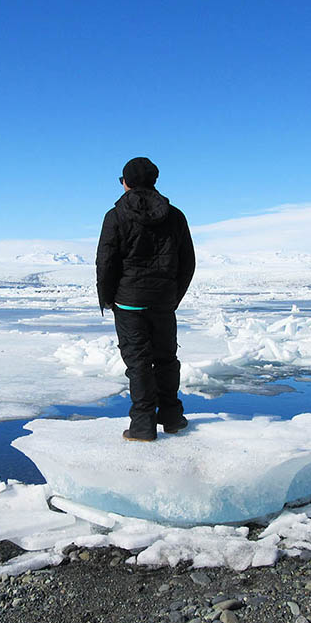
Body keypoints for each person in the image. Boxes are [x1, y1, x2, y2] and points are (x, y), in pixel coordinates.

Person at [96, 157, 196, 441]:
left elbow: (105, 262)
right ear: (154, 181)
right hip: (163, 301)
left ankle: (142, 425)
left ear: (125, 183)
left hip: (129, 303)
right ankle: (172, 417)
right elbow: (188, 262)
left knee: (138, 362)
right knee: (166, 358)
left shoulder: (115, 216)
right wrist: (173, 297)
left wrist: (107, 298)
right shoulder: (175, 216)